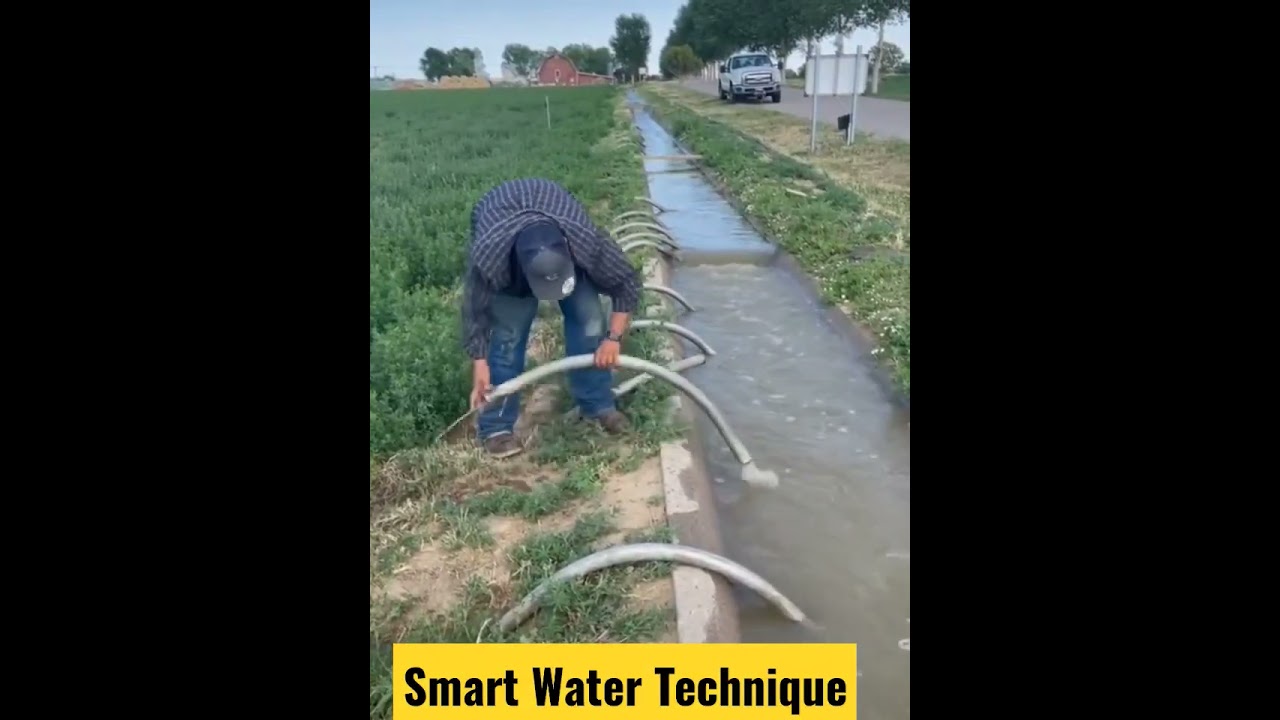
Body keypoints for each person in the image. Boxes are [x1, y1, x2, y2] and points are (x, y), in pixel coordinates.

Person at [462, 177, 643, 459]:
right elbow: (475, 310)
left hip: (559, 222)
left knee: (590, 321)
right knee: (508, 339)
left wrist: (613, 339)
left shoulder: (585, 240)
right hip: (507, 253)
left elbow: (626, 283)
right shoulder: (490, 258)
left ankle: (597, 406)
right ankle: (496, 428)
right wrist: (480, 363)